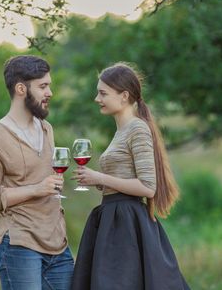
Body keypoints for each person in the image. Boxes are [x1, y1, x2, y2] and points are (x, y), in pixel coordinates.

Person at [71, 62, 190, 290]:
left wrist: (100, 178)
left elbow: (147, 187)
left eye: (103, 93)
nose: (97, 98)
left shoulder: (137, 129)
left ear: (124, 96)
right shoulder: (122, 131)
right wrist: (97, 181)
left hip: (126, 222)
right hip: (113, 218)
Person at [0, 55, 74, 290]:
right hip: (18, 244)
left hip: (57, 244)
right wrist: (36, 189)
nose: (50, 92)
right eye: (43, 86)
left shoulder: (46, 128)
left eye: (49, 85)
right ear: (21, 89)